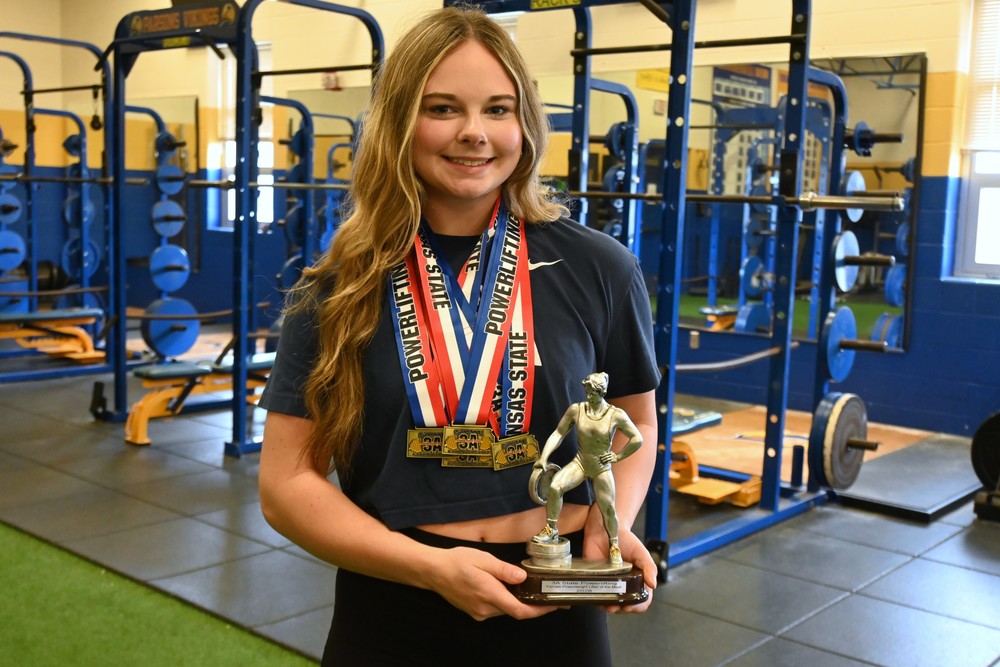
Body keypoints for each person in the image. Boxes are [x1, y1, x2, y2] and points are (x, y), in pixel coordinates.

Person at [257, 6, 660, 666]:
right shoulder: (341, 283)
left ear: (525, 125)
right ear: (399, 122)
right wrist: (428, 567)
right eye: (443, 108)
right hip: (393, 603)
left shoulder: (600, 267)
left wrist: (610, 535)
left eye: (499, 109)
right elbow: (285, 482)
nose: (475, 133)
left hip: (555, 607)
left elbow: (636, 427)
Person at [532, 372, 643, 567]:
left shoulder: (615, 414)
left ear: (602, 392)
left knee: (608, 509)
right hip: (581, 462)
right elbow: (558, 433)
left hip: (601, 467)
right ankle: (551, 528)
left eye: (593, 393)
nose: (589, 396)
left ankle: (614, 544)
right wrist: (544, 456)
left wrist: (618, 456)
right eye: (588, 392)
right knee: (556, 486)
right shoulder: (577, 410)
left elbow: (637, 439)